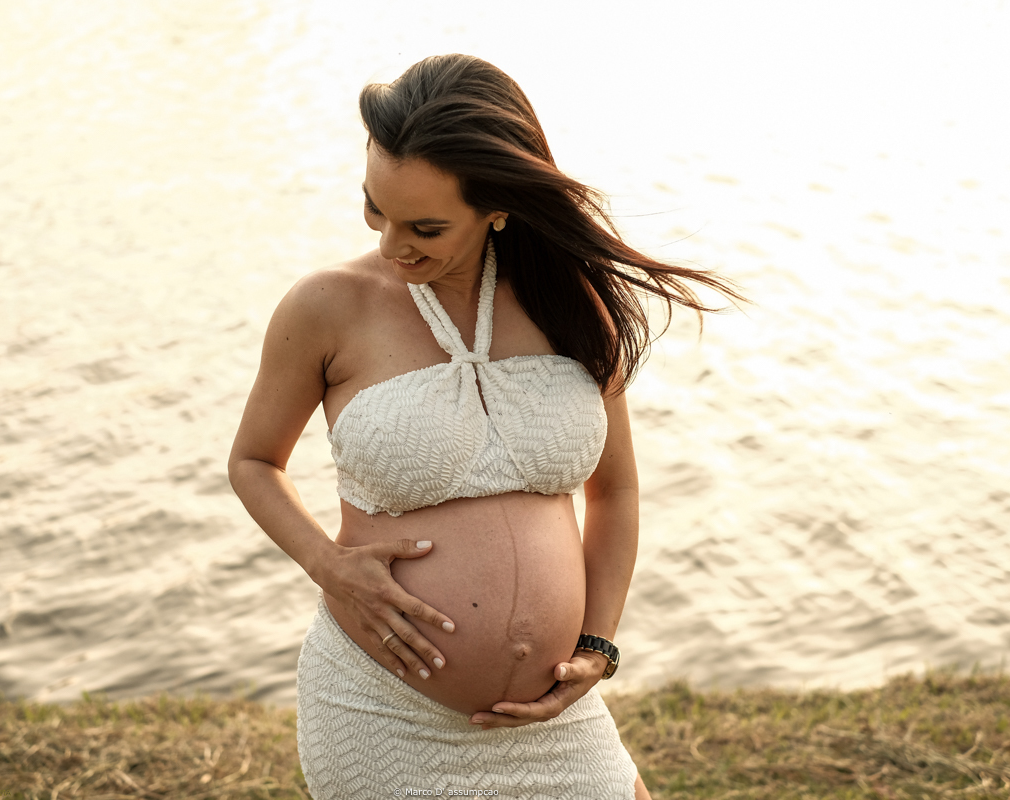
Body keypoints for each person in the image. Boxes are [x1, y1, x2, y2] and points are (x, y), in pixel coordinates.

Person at [228, 53, 741, 800]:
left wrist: (597, 642)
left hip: (555, 721)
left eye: (426, 226)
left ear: (498, 204)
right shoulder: (327, 307)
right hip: (383, 711)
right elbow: (252, 462)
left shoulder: (570, 305)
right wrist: (327, 564)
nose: (390, 244)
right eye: (375, 208)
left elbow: (618, 492)